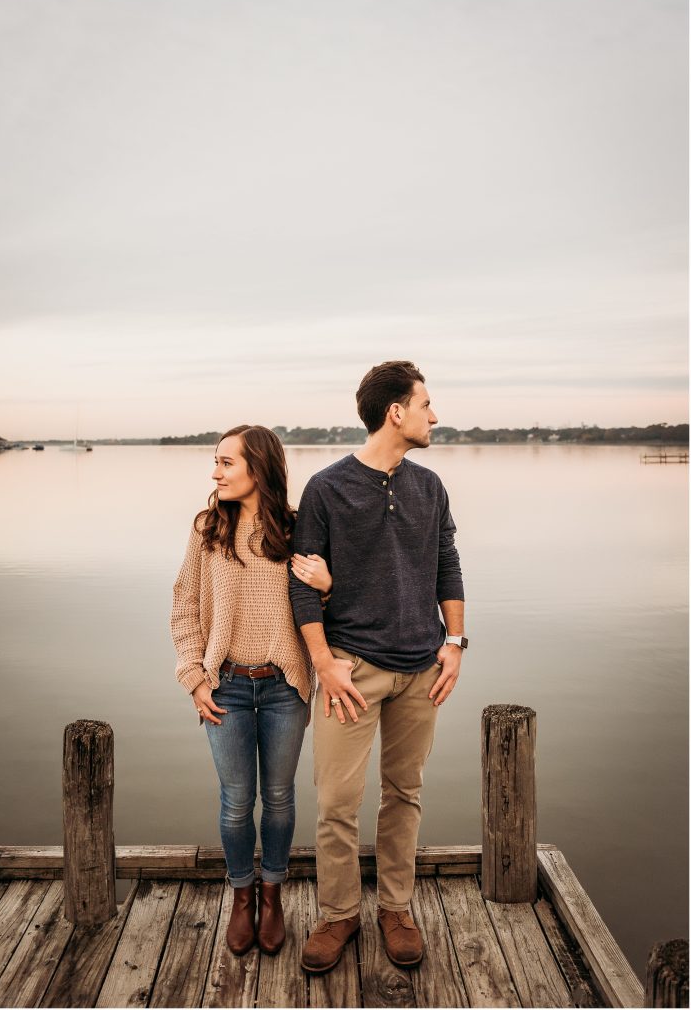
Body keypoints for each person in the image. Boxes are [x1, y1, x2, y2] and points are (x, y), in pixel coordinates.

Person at [289, 360, 466, 973]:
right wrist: (324, 665)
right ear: (397, 411)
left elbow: (447, 562)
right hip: (351, 671)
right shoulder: (326, 488)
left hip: (422, 668)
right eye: (426, 404)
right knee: (336, 801)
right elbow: (303, 588)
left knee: (404, 794)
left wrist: (456, 643)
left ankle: (396, 908)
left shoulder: (431, 486)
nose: (434, 415)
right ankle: (338, 915)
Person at [170, 425, 331, 957]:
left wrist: (328, 587)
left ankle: (273, 892)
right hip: (226, 688)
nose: (215, 473)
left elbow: (322, 612)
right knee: (237, 801)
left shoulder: (295, 526)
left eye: (225, 463)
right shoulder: (206, 528)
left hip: (286, 686)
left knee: (280, 798)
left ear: (257, 467)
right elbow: (185, 604)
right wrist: (194, 677)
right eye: (215, 463)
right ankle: (242, 896)